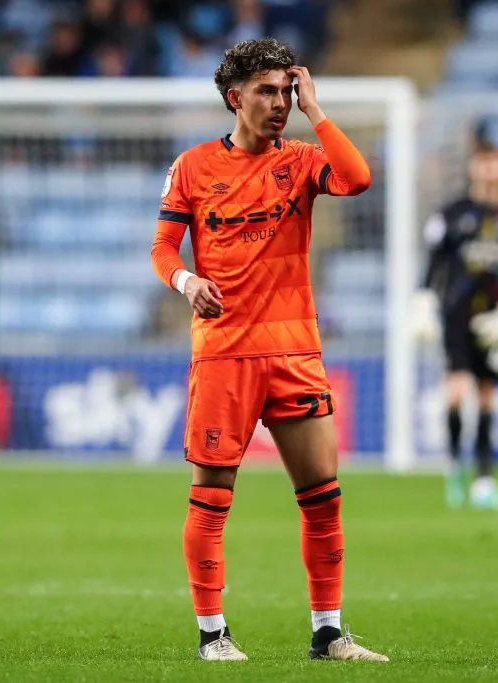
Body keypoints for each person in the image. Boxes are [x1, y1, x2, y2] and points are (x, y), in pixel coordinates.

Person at [149, 38, 386, 663]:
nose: (280, 103)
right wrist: (186, 281)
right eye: (267, 91)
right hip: (224, 354)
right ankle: (212, 635)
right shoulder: (193, 167)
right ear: (235, 97)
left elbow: (359, 178)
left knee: (323, 496)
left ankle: (329, 632)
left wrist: (319, 111)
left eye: (287, 91)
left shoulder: (305, 161)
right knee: (211, 497)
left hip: (293, 352)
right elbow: (163, 250)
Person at [411, 144, 498, 511]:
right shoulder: (454, 212)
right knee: (458, 391)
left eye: (496, 163)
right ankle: (454, 468)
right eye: (484, 163)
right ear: (474, 168)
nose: (490, 170)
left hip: (495, 316)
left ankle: (486, 481)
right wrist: (424, 300)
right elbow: (435, 262)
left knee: (489, 394)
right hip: (457, 312)